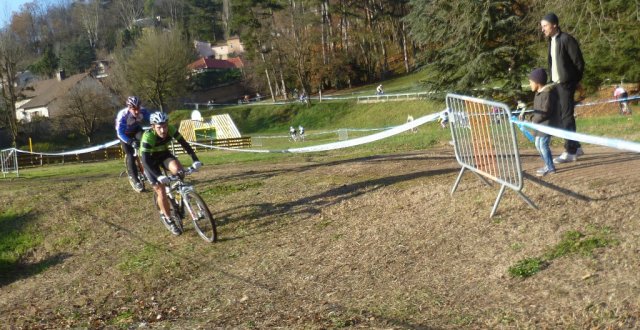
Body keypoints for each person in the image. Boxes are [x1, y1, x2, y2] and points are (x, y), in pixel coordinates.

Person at [140, 111, 202, 235]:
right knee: (160, 190)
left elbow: (184, 144)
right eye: (159, 127)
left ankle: (181, 197)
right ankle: (168, 219)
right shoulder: (148, 136)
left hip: (163, 155)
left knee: (179, 171)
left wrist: (195, 159)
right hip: (150, 162)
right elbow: (145, 160)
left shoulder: (171, 129)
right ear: (153, 127)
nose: (163, 130)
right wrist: (159, 176)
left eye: (165, 126)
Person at [540, 13, 585, 164]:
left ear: (554, 25)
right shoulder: (551, 41)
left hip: (566, 84)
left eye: (545, 26)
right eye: (542, 26)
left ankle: (570, 151)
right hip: (556, 85)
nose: (543, 29)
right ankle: (576, 147)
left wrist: (573, 81)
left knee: (566, 117)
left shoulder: (567, 39)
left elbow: (578, 63)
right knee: (562, 116)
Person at [525, 68, 558, 177]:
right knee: (538, 145)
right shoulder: (538, 94)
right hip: (539, 126)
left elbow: (545, 111)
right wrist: (531, 117)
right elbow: (537, 110)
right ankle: (547, 164)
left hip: (546, 125)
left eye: (530, 82)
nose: (529, 84)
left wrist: (534, 119)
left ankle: (550, 167)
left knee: (543, 145)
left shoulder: (547, 94)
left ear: (537, 82)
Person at [115, 96, 151, 191]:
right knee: (130, 155)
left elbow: (153, 119)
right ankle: (135, 180)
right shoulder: (123, 115)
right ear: (129, 108)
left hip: (136, 130)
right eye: (134, 109)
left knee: (146, 144)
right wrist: (129, 141)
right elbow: (119, 133)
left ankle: (148, 168)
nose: (136, 111)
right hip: (124, 135)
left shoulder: (143, 111)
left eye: (138, 108)